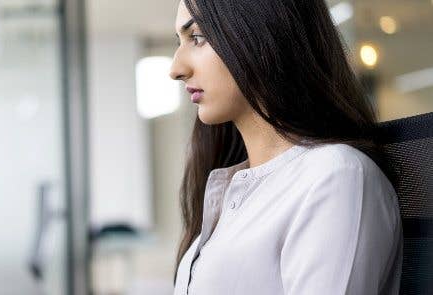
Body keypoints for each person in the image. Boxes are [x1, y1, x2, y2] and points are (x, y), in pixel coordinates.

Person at [169, 0, 403, 294]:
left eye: (198, 38)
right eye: (179, 41)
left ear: (263, 33)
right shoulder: (233, 188)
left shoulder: (335, 177)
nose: (176, 69)